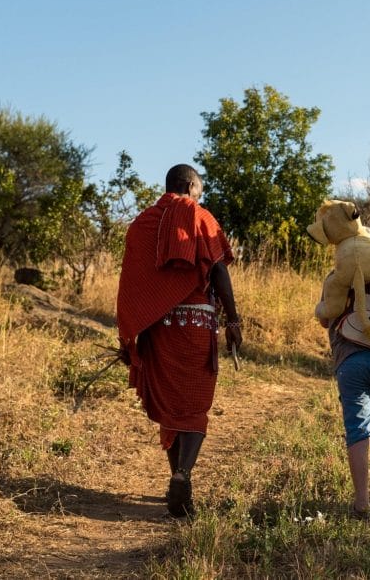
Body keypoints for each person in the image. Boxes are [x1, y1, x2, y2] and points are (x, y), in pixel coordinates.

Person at [116, 164, 242, 518]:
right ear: (189, 186)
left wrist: (130, 334)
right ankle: (182, 474)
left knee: (172, 405)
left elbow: (132, 283)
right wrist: (232, 319)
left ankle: (176, 477)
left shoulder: (141, 224)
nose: (199, 197)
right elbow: (218, 269)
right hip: (196, 324)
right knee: (195, 405)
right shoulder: (199, 217)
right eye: (199, 191)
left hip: (158, 329)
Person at [318, 281, 370, 518]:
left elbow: (325, 318)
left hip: (349, 359)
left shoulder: (337, 275)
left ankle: (362, 502)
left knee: (358, 429)